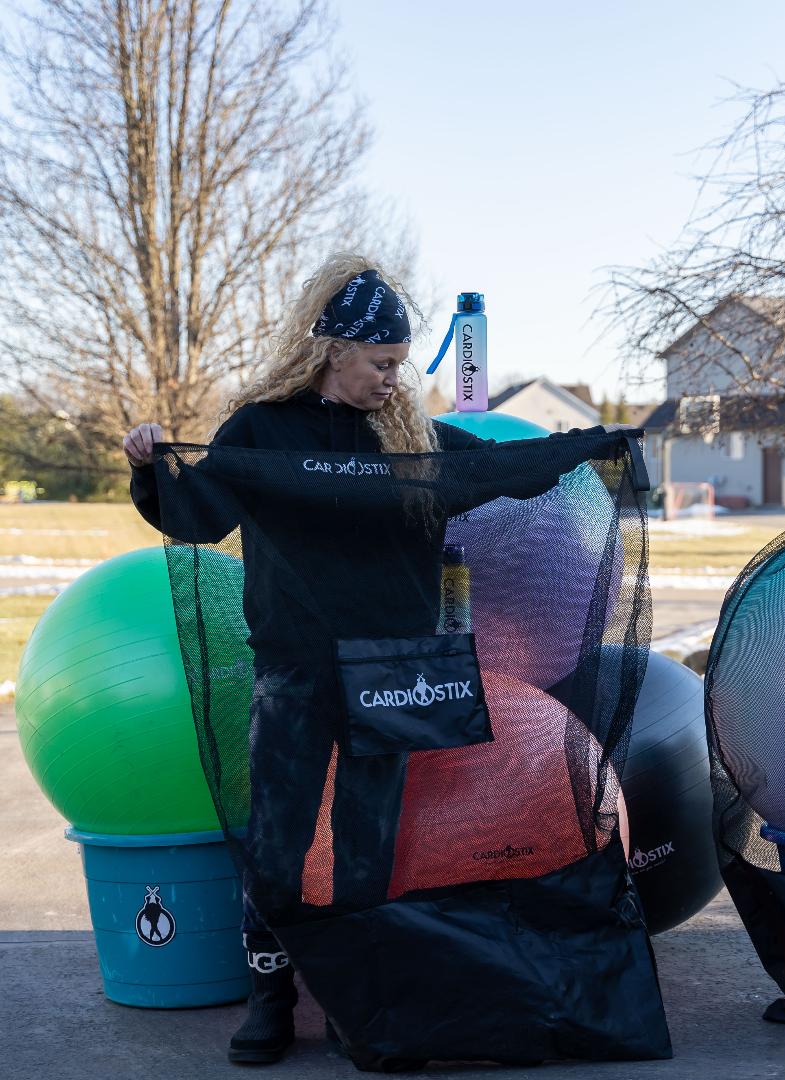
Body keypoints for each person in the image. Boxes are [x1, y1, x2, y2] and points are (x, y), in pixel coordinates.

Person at [123, 253, 610, 1066]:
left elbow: (496, 469)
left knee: (369, 843)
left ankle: (357, 1000)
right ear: (332, 351)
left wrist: (584, 447)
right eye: (381, 363)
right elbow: (198, 516)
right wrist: (149, 468)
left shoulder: (408, 434)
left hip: (399, 669)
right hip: (298, 670)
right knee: (277, 842)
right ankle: (271, 997)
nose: (394, 379)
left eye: (400, 364)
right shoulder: (262, 431)